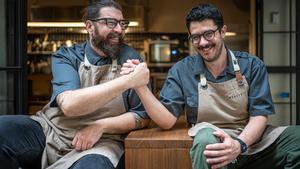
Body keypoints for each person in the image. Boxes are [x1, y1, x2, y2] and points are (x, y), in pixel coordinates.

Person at [121, 3, 300, 169]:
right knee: (206, 141)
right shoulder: (181, 70)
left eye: (209, 34)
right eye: (196, 37)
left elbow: (260, 115)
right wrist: (141, 87)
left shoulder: (252, 65)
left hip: (250, 139)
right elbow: (167, 120)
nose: (203, 43)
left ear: (222, 31)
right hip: (211, 138)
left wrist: (239, 144)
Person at [0, 0, 150, 169]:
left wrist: (101, 125)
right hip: (52, 130)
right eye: (110, 23)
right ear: (89, 26)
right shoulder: (67, 56)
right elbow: (70, 106)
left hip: (102, 141)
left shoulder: (131, 59)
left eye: (122, 24)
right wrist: (127, 81)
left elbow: (142, 116)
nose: (119, 29)